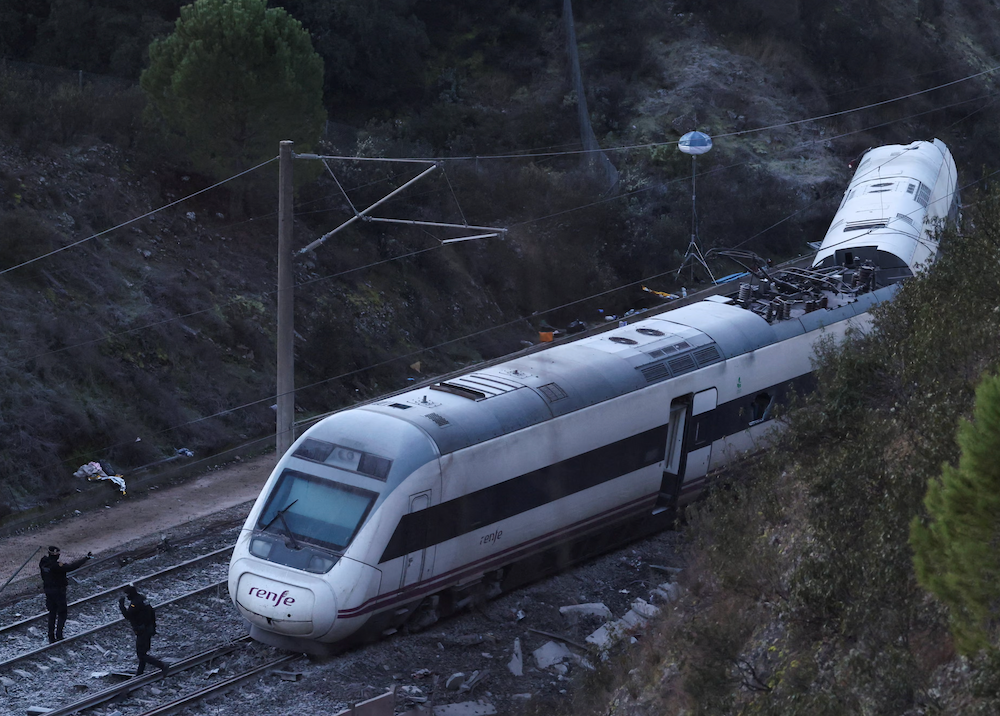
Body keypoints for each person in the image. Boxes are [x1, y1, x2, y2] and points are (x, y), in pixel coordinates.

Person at [38, 545, 92, 643]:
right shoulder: (56, 566)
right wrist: (86, 558)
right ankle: (59, 635)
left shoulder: (43, 562)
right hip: (58, 591)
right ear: (55, 555)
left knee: (52, 613)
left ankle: (51, 636)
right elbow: (72, 567)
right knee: (62, 612)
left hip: (48, 590)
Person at [119, 584, 169, 675]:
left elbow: (128, 615)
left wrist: (121, 605)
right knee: (143, 652)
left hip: (142, 630)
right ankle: (140, 673)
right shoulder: (143, 599)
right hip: (148, 628)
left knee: (141, 654)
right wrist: (153, 627)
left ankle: (161, 665)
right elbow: (152, 612)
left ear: (130, 594)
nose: (127, 597)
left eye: (127, 595)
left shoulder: (135, 603)